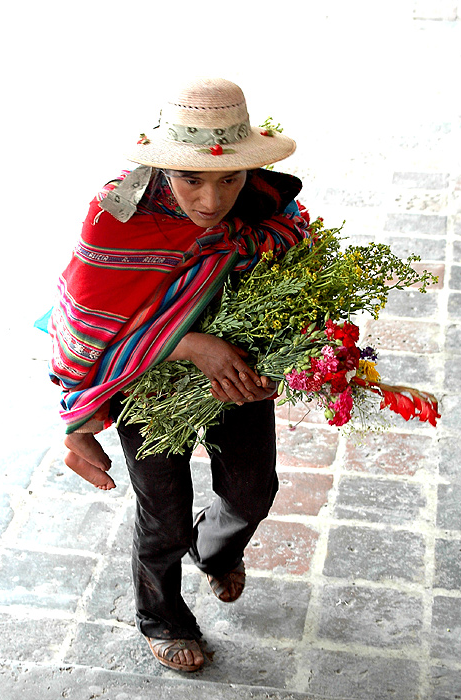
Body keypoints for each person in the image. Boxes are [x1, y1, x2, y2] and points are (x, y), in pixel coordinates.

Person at [49, 77, 310, 672]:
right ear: (165, 167)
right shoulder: (117, 219)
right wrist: (188, 343)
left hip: (236, 377)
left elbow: (289, 293)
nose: (211, 202)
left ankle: (215, 553)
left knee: (252, 491)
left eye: (228, 178)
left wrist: (281, 355)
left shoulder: (270, 209)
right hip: (148, 389)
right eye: (192, 179)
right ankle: (162, 617)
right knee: (161, 515)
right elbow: (87, 323)